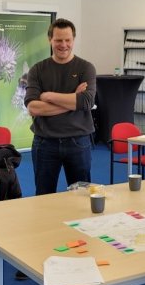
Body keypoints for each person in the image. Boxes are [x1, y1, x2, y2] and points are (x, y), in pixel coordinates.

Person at [24, 18, 96, 195]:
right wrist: (73, 100)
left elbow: (87, 102)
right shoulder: (37, 70)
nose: (63, 45)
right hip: (45, 142)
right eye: (58, 40)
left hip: (78, 142)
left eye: (67, 40)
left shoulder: (86, 68)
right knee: (44, 195)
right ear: (50, 40)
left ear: (73, 40)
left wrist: (48, 96)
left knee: (82, 196)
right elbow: (33, 107)